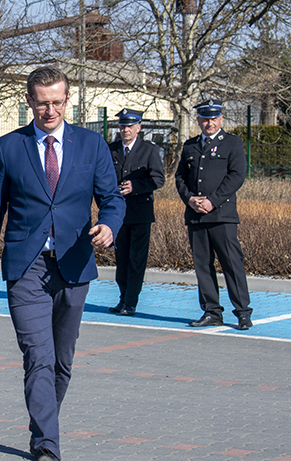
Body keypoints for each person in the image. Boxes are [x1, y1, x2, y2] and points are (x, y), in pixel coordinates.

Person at [0, 66, 125, 461]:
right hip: (27, 267)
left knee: (61, 361)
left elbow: (112, 198)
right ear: (29, 102)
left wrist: (109, 225)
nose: (50, 110)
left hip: (74, 264)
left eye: (57, 102)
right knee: (37, 357)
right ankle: (46, 445)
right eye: (42, 103)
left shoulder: (91, 145)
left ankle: (43, 425)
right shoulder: (10, 147)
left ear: (67, 100)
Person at [174, 99, 253, 330]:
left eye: (214, 118)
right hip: (196, 215)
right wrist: (189, 199)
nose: (210, 123)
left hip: (222, 215)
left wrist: (212, 201)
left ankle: (242, 312)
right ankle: (211, 311)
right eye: (205, 119)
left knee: (231, 264)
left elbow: (237, 175)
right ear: (198, 120)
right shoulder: (190, 146)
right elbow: (180, 177)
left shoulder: (232, 143)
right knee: (202, 265)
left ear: (221, 119)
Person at [108, 109, 165, 316]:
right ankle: (123, 298)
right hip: (118, 213)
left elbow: (158, 179)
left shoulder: (149, 150)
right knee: (122, 259)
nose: (126, 130)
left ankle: (131, 302)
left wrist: (136, 186)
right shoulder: (111, 149)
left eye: (130, 127)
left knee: (136, 260)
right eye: (123, 126)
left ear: (138, 128)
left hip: (140, 213)